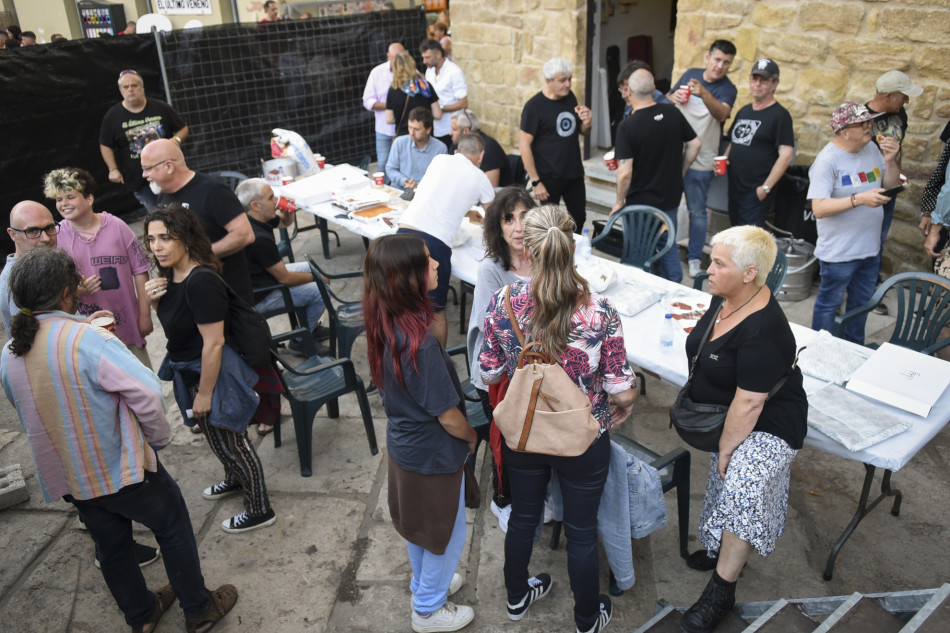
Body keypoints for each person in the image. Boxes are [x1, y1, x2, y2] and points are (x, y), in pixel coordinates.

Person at [0, 247, 238, 633]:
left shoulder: (11, 351)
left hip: (71, 477)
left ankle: (141, 615)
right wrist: (156, 442)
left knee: (111, 546)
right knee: (173, 526)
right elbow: (147, 393)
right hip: (121, 468)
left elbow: (22, 404)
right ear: (66, 292)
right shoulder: (87, 339)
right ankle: (199, 608)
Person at [479, 205, 637, 633]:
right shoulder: (600, 311)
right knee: (582, 532)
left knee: (524, 516)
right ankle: (587, 618)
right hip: (583, 437)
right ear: (572, 247)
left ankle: (516, 597)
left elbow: (488, 372)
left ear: (527, 249)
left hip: (526, 433)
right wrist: (626, 401)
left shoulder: (503, 302)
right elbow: (620, 388)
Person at [677, 225, 807, 633]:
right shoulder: (730, 296)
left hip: (769, 422)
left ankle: (722, 589)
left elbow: (751, 403)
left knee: (741, 483)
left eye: (719, 263)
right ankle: (721, 548)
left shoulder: (764, 328)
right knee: (723, 482)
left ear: (749, 273)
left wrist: (730, 450)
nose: (707, 269)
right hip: (734, 410)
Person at [363, 233, 477, 633]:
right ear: (406, 278)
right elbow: (448, 416)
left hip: (405, 448)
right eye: (427, 262)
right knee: (445, 533)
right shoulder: (421, 344)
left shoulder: (383, 321)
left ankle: (425, 584)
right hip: (433, 454)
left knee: (419, 526)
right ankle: (427, 609)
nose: (435, 266)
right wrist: (471, 437)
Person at [144, 204, 277, 534]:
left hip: (211, 373)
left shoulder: (201, 282)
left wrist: (204, 394)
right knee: (217, 439)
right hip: (188, 369)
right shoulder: (170, 277)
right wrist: (155, 301)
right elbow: (178, 328)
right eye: (150, 239)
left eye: (165, 238)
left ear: (185, 238)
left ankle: (260, 509)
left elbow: (213, 344)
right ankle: (234, 479)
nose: (156, 246)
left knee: (232, 441)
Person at [465, 187, 538, 532]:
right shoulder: (493, 270)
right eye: (509, 218)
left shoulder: (543, 259)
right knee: (506, 436)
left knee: (535, 435)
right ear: (498, 225)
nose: (518, 226)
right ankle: (503, 499)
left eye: (524, 216)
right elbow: (491, 328)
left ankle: (539, 495)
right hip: (495, 372)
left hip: (535, 366)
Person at [808, 102, 900, 345]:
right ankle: (818, 353)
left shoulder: (871, 148)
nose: (870, 126)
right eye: (863, 123)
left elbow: (890, 185)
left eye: (870, 121)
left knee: (861, 308)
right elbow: (818, 208)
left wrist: (890, 160)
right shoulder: (827, 160)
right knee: (828, 307)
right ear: (845, 130)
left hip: (870, 250)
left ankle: (852, 350)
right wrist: (859, 199)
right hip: (839, 253)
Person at [43, 167, 154, 368]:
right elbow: (54, 289)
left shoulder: (117, 226)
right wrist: (79, 291)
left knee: (142, 382)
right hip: (86, 333)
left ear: (89, 199)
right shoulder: (57, 237)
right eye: (59, 199)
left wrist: (144, 314)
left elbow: (140, 270)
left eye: (70, 197)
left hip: (127, 324)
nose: (64, 204)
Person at [398, 133, 495, 345]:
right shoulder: (481, 178)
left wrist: (467, 211)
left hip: (402, 233)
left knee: (403, 304)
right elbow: (494, 219)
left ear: (457, 151)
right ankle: (437, 363)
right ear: (481, 156)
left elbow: (437, 193)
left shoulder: (440, 159)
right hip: (433, 243)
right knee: (436, 312)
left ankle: (402, 353)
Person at [612, 68, 701, 283]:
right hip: (669, 196)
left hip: (640, 205)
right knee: (666, 242)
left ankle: (642, 287)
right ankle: (672, 283)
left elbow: (625, 172)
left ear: (630, 92)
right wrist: (682, 170)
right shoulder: (672, 112)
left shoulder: (627, 126)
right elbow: (695, 144)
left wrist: (619, 201)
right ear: (653, 88)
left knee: (638, 252)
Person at [142, 139, 255, 304]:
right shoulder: (163, 195)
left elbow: (245, 235)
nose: (144, 175)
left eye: (147, 168)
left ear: (168, 166)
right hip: (191, 295)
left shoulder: (213, 191)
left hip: (225, 295)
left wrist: (196, 256)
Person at [235, 177, 329, 362]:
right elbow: (285, 278)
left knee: (311, 268)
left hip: (261, 279)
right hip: (259, 296)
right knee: (321, 289)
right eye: (271, 197)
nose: (275, 200)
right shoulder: (259, 238)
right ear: (256, 205)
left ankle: (310, 327)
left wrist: (289, 211)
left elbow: (284, 223)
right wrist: (317, 278)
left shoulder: (253, 218)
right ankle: (299, 341)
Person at [668, 40, 738, 277]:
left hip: (702, 160)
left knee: (698, 212)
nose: (720, 66)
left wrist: (704, 92)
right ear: (707, 57)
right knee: (669, 207)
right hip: (675, 155)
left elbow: (722, 113)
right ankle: (667, 251)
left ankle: (695, 258)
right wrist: (674, 96)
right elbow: (668, 99)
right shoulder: (690, 74)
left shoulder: (728, 89)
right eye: (717, 59)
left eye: (726, 62)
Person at [99, 69, 189, 212]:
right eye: (126, 87)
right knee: (159, 213)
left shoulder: (160, 107)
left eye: (134, 86)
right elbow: (105, 145)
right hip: (140, 179)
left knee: (181, 208)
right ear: (121, 90)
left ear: (142, 87)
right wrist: (113, 169)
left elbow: (183, 128)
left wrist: (175, 141)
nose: (130, 90)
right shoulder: (113, 116)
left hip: (168, 171)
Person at [520, 57, 592, 233]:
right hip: (548, 176)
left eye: (569, 79)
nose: (568, 84)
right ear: (548, 81)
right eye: (562, 80)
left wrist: (587, 123)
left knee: (579, 219)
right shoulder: (534, 107)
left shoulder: (570, 97)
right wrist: (536, 182)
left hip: (574, 173)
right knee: (549, 224)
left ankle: (571, 254)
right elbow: (524, 146)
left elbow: (581, 131)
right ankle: (552, 257)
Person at [724, 59, 794, 227]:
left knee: (749, 242)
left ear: (774, 84)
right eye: (754, 79)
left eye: (764, 80)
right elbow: (735, 140)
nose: (758, 84)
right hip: (735, 188)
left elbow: (786, 155)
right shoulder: (744, 111)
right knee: (734, 235)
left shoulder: (780, 116)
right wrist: (724, 158)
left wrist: (765, 188)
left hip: (755, 192)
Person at [2, 201, 60, 335]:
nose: (45, 238)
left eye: (50, 228)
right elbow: (29, 340)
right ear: (13, 234)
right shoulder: (20, 279)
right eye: (33, 231)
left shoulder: (38, 266)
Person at [363, 42, 406, 181]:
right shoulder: (377, 72)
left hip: (405, 130)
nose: (399, 61)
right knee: (383, 164)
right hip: (384, 129)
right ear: (388, 56)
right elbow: (368, 100)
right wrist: (391, 105)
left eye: (402, 57)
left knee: (405, 165)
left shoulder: (412, 74)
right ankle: (383, 193)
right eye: (396, 58)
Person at [386, 106, 447, 191]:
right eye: (410, 127)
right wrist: (403, 180)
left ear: (428, 129)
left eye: (416, 129)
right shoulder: (399, 142)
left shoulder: (440, 149)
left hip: (426, 193)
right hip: (400, 190)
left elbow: (441, 177)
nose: (412, 133)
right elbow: (390, 168)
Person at [420, 39, 467, 148]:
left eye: (428, 57)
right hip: (433, 127)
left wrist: (439, 107)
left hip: (449, 128)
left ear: (438, 54)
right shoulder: (429, 71)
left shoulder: (454, 71)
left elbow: (463, 103)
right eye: (423, 57)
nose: (424, 61)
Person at [386, 51, 442, 138]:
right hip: (425, 137)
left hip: (403, 137)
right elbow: (438, 114)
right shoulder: (425, 86)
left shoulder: (393, 89)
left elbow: (389, 119)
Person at [449, 109, 509, 187]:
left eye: (454, 129)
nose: (450, 133)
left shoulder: (490, 148)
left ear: (466, 131)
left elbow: (491, 189)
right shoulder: (457, 143)